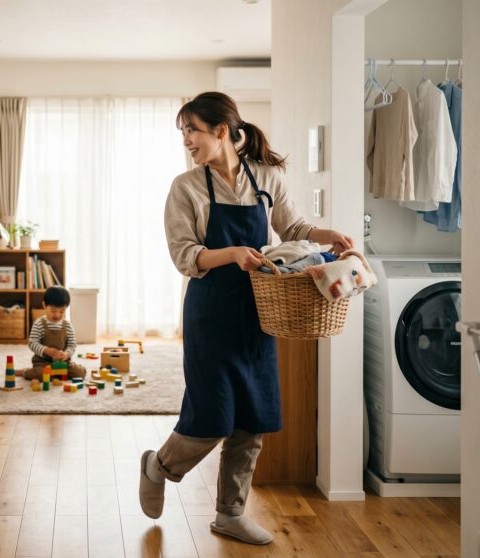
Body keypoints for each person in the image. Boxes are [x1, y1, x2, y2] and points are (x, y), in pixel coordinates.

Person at [139, 92, 353, 544]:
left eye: (192, 130)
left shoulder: (267, 177)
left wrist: (327, 233)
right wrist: (233, 253)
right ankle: (158, 465)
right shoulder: (186, 187)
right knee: (211, 418)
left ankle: (230, 513)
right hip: (211, 312)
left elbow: (293, 229)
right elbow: (185, 255)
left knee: (252, 420)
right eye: (183, 133)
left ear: (221, 130)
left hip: (259, 310)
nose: (187, 141)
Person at [16, 286, 87, 380]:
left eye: (62, 311)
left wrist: (66, 354)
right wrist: (45, 350)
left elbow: (72, 345)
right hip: (43, 363)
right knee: (40, 375)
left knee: (79, 373)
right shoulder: (39, 323)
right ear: (44, 305)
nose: (57, 315)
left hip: (63, 363)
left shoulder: (68, 325)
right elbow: (32, 343)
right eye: (53, 311)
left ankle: (57, 374)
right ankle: (25, 371)